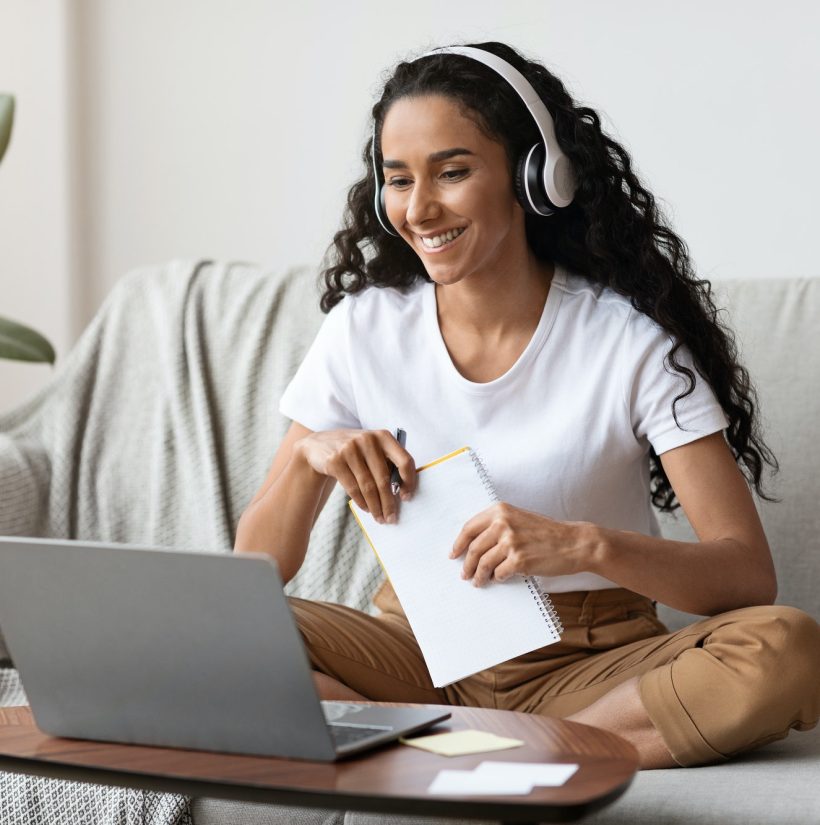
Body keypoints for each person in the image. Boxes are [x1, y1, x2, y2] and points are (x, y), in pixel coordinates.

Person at [235, 42, 820, 768]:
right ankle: (504, 748)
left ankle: (456, 749)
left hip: (587, 663)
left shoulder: (626, 342)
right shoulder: (364, 327)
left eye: (452, 172)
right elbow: (254, 568)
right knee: (221, 631)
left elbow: (745, 573)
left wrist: (581, 544)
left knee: (783, 647)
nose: (420, 209)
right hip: (415, 648)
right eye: (398, 180)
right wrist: (308, 453)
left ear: (535, 179)